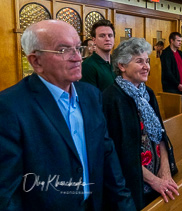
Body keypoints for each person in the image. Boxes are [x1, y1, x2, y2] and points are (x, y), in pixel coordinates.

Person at [0, 20, 135, 211]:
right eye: (64, 50)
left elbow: (106, 153)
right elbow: (7, 193)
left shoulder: (91, 94)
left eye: (78, 48)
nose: (78, 58)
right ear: (36, 61)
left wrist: (125, 205)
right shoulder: (10, 106)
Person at [103, 38, 179, 209]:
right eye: (139, 61)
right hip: (133, 184)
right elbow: (119, 153)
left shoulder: (147, 93)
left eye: (147, 61)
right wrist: (154, 181)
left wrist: (165, 173)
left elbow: (160, 135)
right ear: (122, 66)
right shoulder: (112, 99)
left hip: (158, 178)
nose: (146, 66)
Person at [81, 19, 116, 91]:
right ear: (94, 40)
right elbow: (90, 97)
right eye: (102, 36)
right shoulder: (87, 65)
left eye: (110, 35)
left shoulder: (117, 62)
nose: (107, 39)